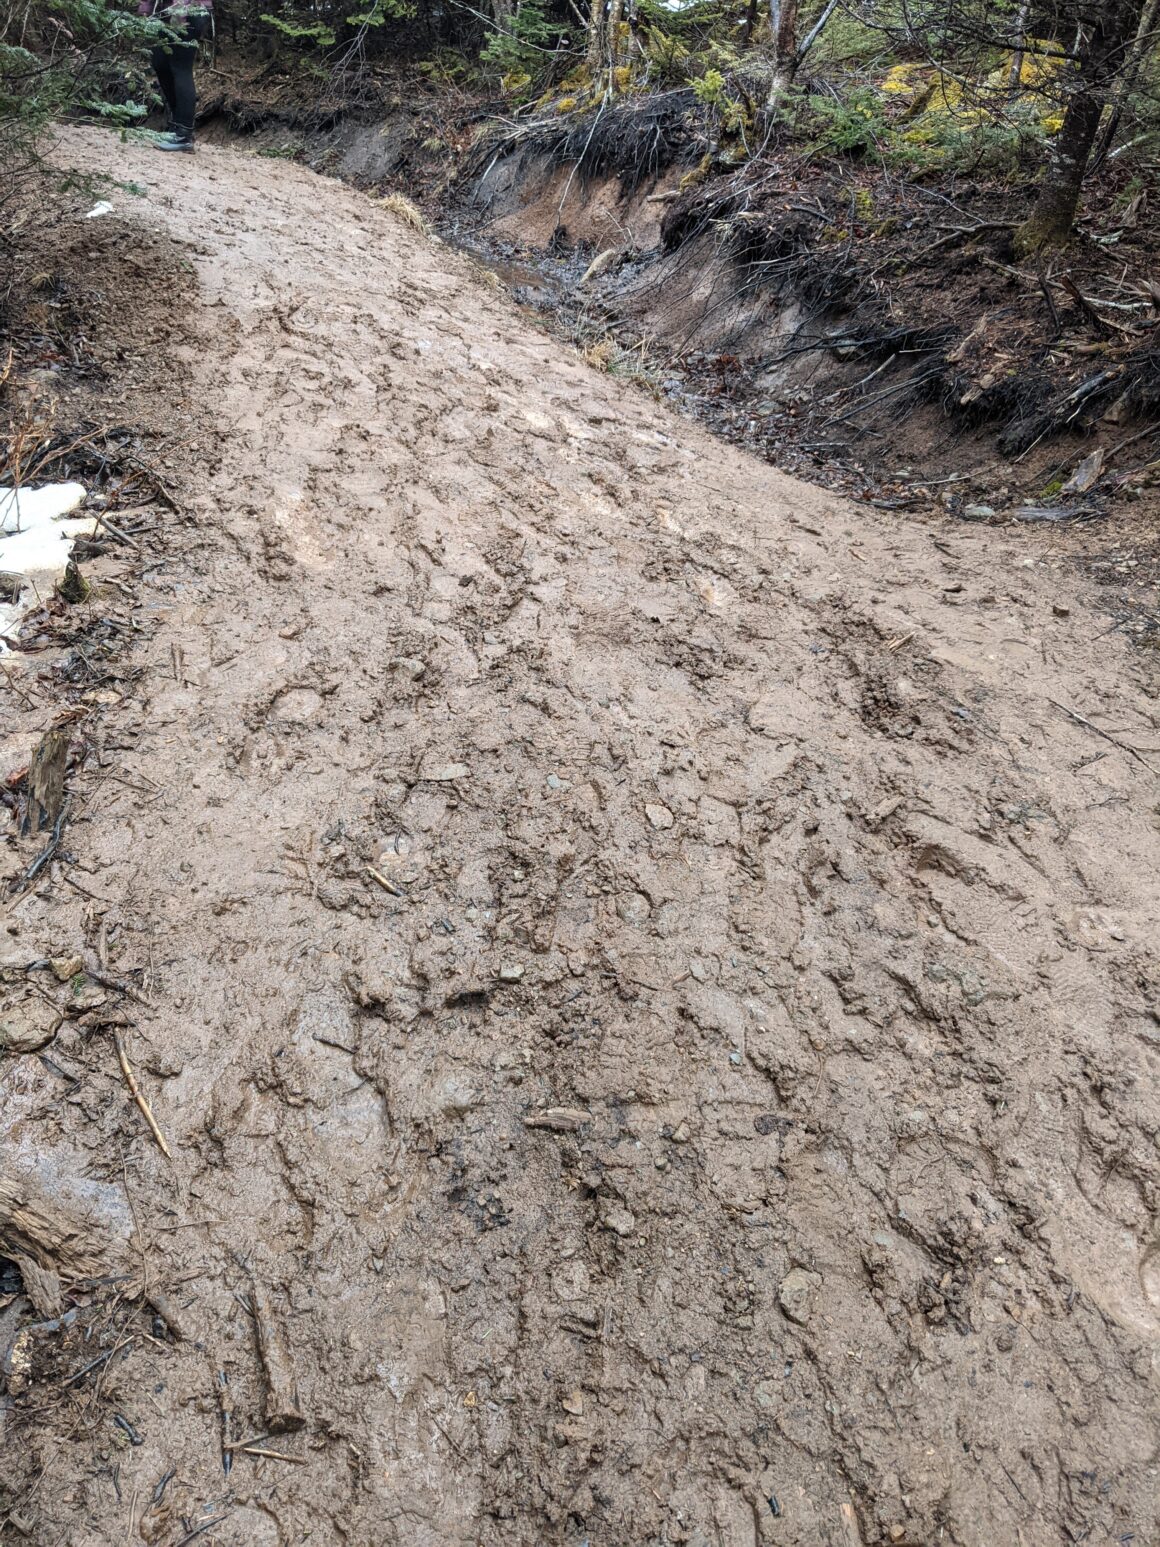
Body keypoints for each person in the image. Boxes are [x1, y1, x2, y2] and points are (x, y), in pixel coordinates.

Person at [139, 0, 213, 153]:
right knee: (160, 63)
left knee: (180, 67)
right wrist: (145, 9)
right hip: (163, 11)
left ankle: (183, 134)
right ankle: (176, 127)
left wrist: (180, 10)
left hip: (190, 11)